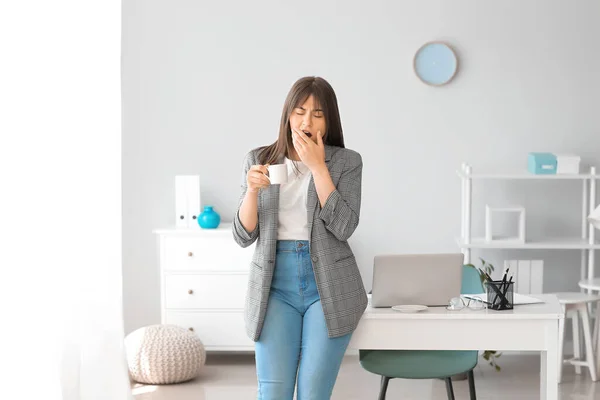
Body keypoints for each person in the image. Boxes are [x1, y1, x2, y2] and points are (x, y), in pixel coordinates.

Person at [232, 76, 368, 400]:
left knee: (313, 393)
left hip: (329, 286)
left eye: (318, 114)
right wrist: (251, 191)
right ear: (287, 115)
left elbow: (344, 226)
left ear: (329, 120)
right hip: (274, 287)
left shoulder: (347, 162)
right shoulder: (259, 159)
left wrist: (319, 169)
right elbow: (242, 235)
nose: (307, 121)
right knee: (274, 392)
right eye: (300, 111)